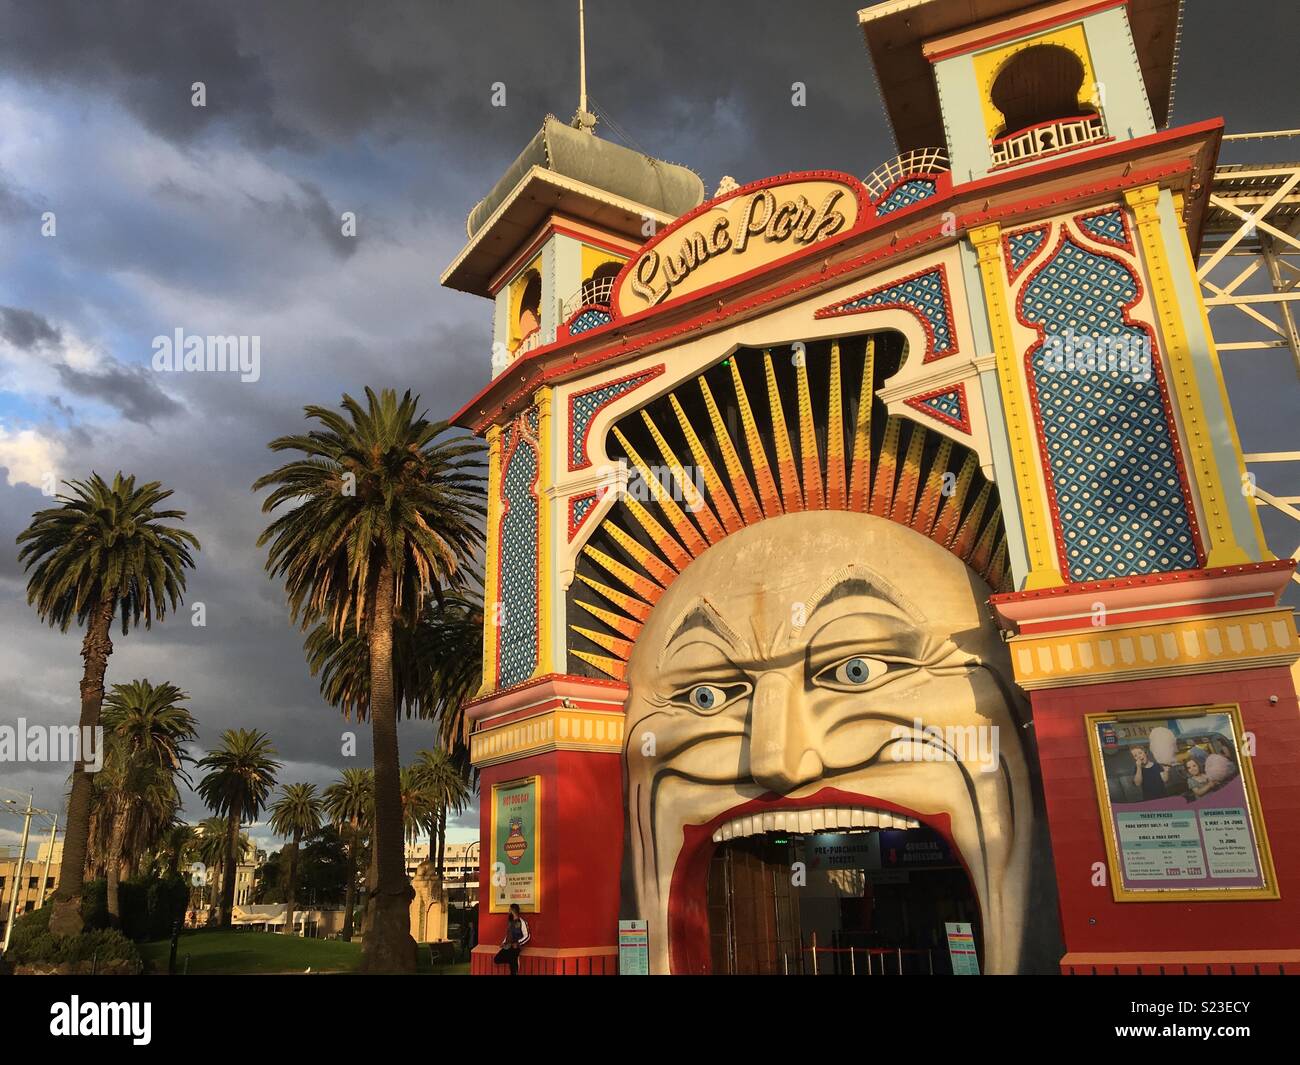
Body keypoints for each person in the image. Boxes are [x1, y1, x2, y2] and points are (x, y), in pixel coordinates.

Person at [497, 903, 530, 976]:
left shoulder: (522, 922)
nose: (508, 912)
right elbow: (508, 934)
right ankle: (513, 959)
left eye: (509, 910)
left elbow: (527, 936)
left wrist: (518, 943)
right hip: (508, 946)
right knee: (497, 959)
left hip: (515, 947)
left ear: (512, 911)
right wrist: (504, 942)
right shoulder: (510, 922)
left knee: (513, 971)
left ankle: (514, 960)